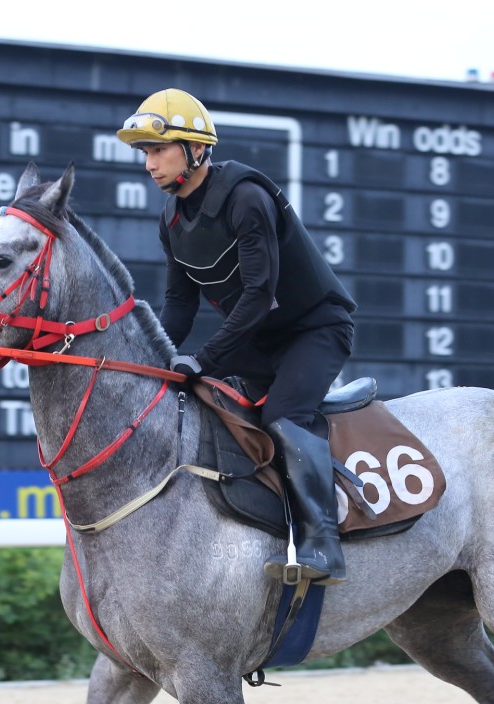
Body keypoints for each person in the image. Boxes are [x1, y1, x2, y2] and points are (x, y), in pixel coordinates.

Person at [118, 89, 358, 586]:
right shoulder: (172, 219)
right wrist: (156, 356)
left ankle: (323, 546)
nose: (149, 164)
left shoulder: (246, 198)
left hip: (314, 329)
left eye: (159, 150)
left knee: (284, 420)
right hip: (260, 339)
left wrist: (202, 358)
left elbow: (258, 295)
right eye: (145, 153)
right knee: (202, 404)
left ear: (196, 149)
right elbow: (180, 303)